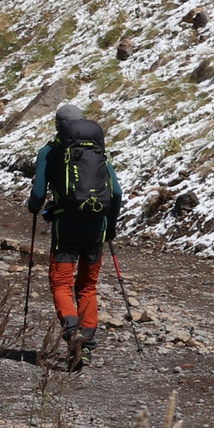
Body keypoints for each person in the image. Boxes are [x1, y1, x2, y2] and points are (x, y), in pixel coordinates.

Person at [26, 103, 122, 369]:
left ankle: (71, 329)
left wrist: (36, 209)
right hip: (96, 227)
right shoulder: (98, 150)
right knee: (87, 287)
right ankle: (87, 347)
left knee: (60, 284)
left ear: (58, 125)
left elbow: (37, 195)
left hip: (66, 227)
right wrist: (110, 227)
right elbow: (115, 192)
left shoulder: (50, 151)